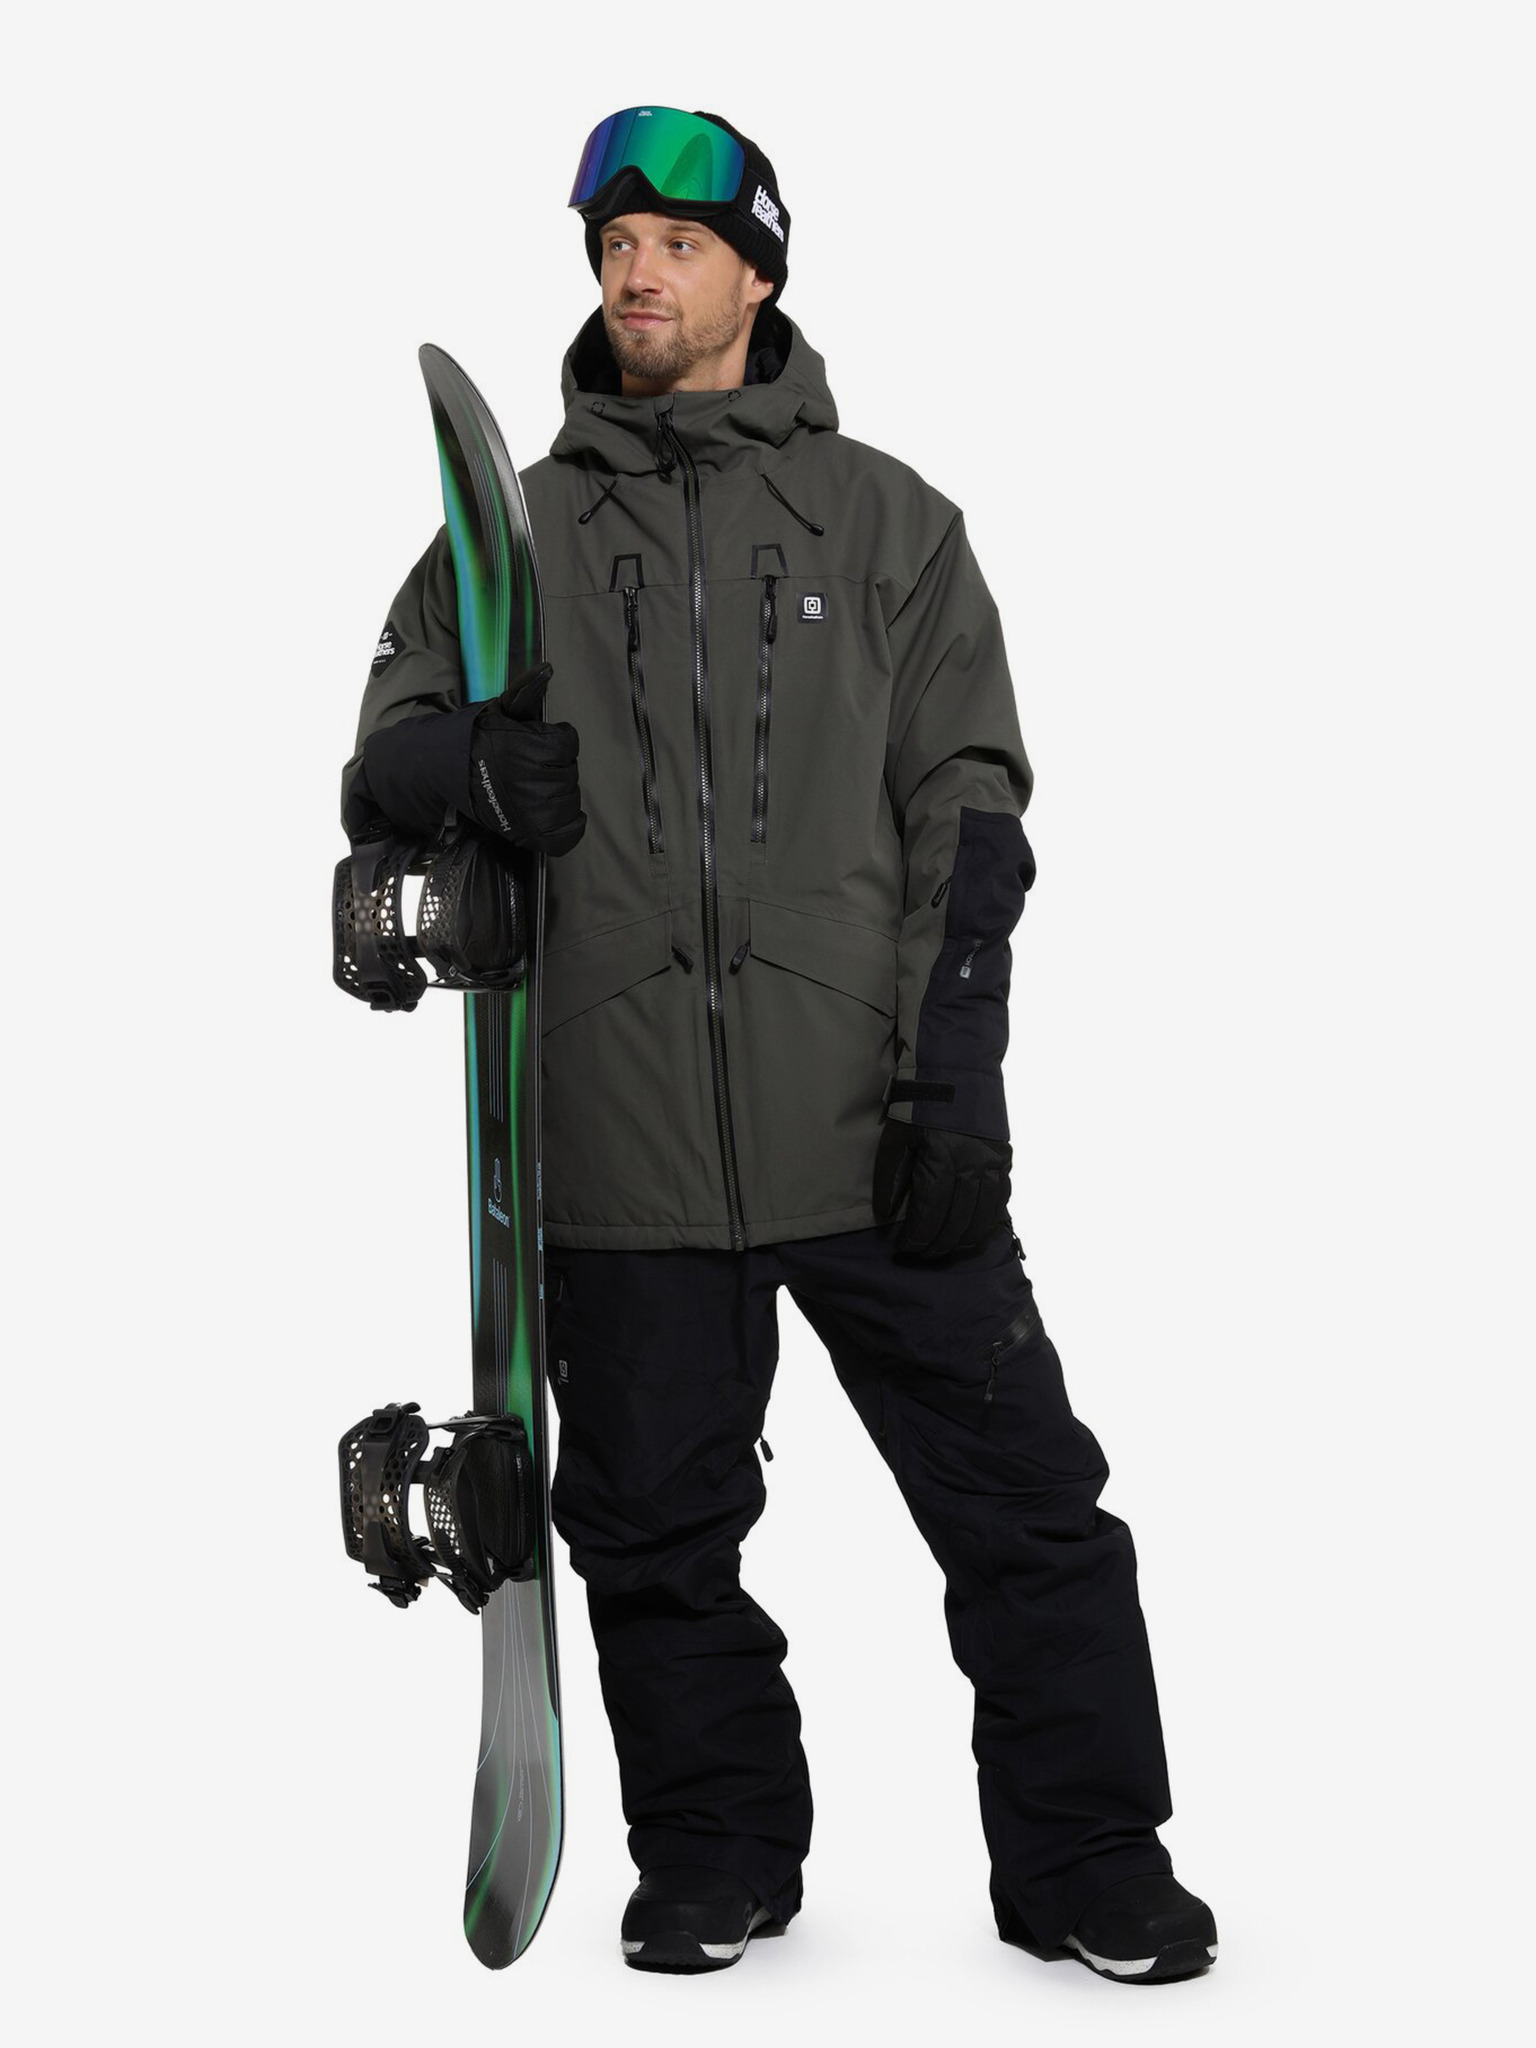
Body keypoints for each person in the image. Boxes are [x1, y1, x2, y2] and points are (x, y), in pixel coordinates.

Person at [339, 105, 1217, 1984]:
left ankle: (1089, 1859)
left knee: (1028, 1508)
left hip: (866, 1120)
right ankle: (716, 1850)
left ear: (758, 269)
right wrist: (466, 762)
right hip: (620, 1126)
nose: (634, 274)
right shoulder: (516, 538)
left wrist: (953, 1078)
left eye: (674, 241)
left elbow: (971, 815)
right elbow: (383, 748)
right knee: (653, 1529)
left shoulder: (887, 524)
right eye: (611, 246)